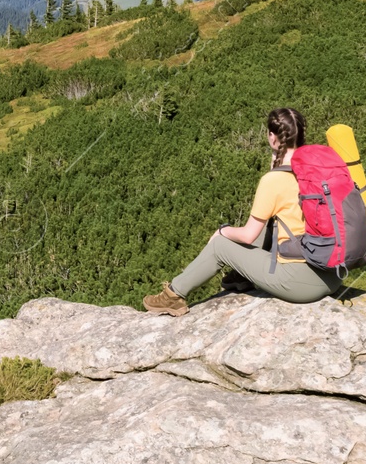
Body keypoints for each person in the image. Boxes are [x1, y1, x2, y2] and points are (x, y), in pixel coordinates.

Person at [142, 107, 338, 316]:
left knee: (219, 246)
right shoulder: (318, 170)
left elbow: (248, 235)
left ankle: (172, 296)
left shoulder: (274, 181)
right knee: (271, 222)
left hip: (299, 283)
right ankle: (243, 276)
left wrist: (222, 231)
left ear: (272, 137)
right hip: (333, 275)